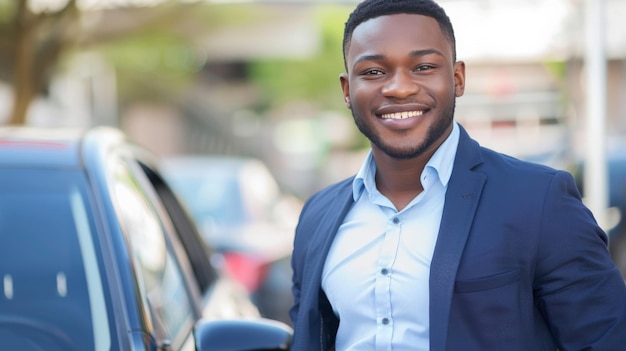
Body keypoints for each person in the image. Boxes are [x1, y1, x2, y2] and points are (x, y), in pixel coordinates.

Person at [288, 0, 626, 350]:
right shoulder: (317, 216)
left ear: (458, 78)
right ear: (347, 90)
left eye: (423, 67)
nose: (399, 88)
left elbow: (607, 339)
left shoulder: (538, 200)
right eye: (374, 72)